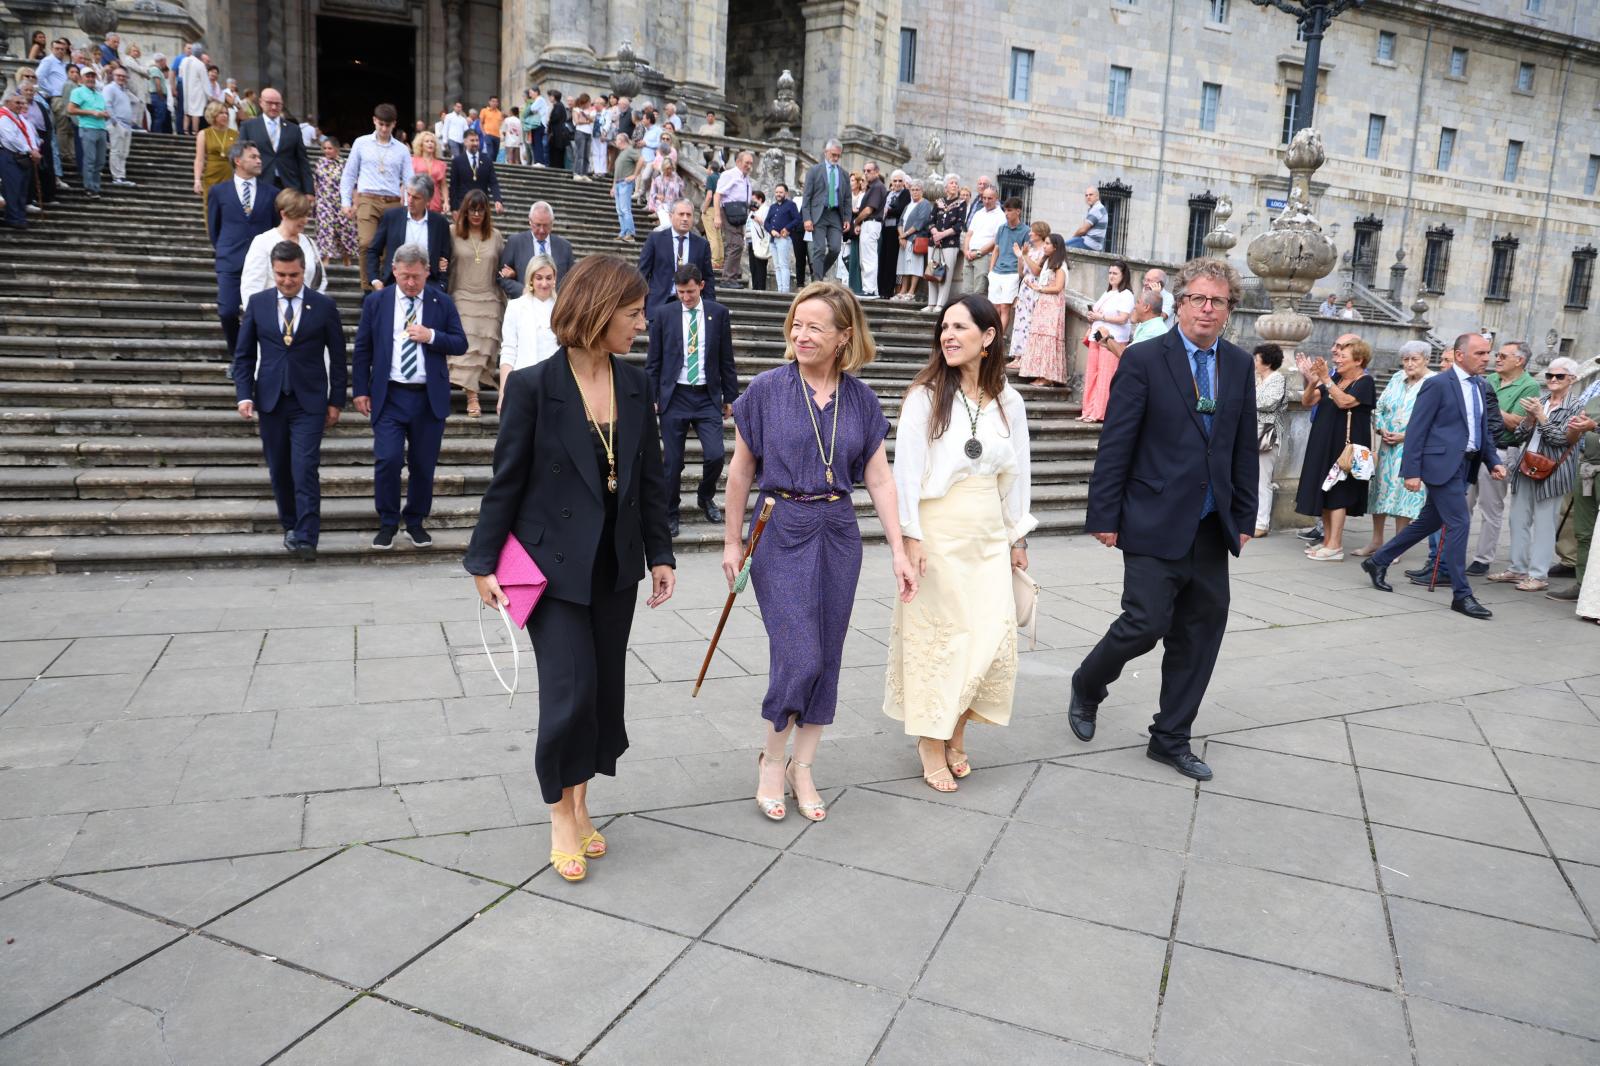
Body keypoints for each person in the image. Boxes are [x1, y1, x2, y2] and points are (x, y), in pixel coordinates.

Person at [466, 255, 676, 883]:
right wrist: (483, 561)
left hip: (616, 564)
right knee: (569, 691)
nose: (641, 324)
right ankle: (561, 813)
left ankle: (582, 803)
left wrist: (660, 553)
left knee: (603, 691)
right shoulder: (533, 386)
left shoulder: (636, 384)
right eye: (633, 314)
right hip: (549, 566)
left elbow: (650, 478)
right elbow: (507, 480)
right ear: (599, 310)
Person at [722, 281, 917, 822]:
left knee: (826, 654)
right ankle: (772, 758)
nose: (801, 335)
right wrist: (732, 540)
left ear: (843, 338)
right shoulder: (765, 389)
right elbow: (740, 470)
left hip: (838, 530)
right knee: (798, 652)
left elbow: (879, 479)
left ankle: (802, 766)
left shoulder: (861, 399)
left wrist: (898, 550)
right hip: (780, 526)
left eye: (815, 327)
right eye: (796, 324)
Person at [1072, 258, 1259, 782]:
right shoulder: (1145, 359)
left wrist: (1244, 512)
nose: (1206, 307)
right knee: (1146, 622)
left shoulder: (1239, 366)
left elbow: (1242, 446)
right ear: (1179, 302)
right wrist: (1104, 515)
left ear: (1228, 310)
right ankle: (1089, 684)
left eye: (1217, 300)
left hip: (1209, 525)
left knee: (1201, 633)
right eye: (1198, 298)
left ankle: (1170, 737)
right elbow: (1117, 443)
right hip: (1152, 516)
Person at [886, 295, 1034, 790]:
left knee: (990, 639)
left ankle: (957, 730)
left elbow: (1019, 473)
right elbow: (904, 473)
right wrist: (910, 536)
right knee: (941, 639)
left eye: (959, 327)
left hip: (989, 534)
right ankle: (931, 739)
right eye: (943, 327)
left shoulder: (1009, 401)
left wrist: (1017, 536)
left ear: (988, 338)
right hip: (938, 532)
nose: (947, 335)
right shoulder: (925, 396)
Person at [1361, 333, 1505, 619]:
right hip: (1441, 466)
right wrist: (1411, 471)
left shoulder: (1480, 385)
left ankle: (1378, 560)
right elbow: (1417, 428)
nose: (1486, 358)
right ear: (1460, 355)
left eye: (1488, 353)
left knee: (1428, 521)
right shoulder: (1437, 384)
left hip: (1466, 465)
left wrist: (1492, 461)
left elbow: (1481, 430)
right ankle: (1461, 594)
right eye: (1480, 353)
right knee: (1460, 522)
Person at [232, 241, 347, 560]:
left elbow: (338, 357)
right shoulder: (258, 303)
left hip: (309, 400)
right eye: (281, 275)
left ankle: (308, 536)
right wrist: (243, 394)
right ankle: (291, 526)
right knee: (280, 467)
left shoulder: (323, 306)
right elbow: (243, 355)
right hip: (270, 399)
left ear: (303, 271)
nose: (287, 281)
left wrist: (336, 400)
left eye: (293, 275)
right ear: (273, 271)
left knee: (305, 466)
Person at [351, 242, 468, 549]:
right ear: (394, 271)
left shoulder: (440, 302)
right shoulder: (377, 302)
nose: (411, 283)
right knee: (387, 459)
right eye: (405, 276)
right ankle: (388, 522)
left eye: (416, 276)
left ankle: (415, 521)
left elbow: (460, 343)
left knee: (423, 464)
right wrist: (360, 389)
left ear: (427, 271)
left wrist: (431, 336)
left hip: (427, 397)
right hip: (389, 395)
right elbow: (363, 348)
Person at [646, 263, 738, 536]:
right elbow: (653, 362)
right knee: (672, 463)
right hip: (675, 396)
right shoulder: (664, 315)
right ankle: (670, 512)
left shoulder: (718, 314)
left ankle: (704, 495)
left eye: (689, 291)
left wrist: (730, 396)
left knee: (715, 455)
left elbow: (726, 358)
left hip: (706, 396)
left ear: (701, 286)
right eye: (680, 292)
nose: (685, 297)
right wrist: (652, 396)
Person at [1491, 357, 1585, 592]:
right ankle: (1517, 568)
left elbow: (1561, 440)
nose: (1553, 380)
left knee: (1545, 524)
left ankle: (1538, 575)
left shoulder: (1576, 406)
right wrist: (1530, 418)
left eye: (1559, 376)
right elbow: (1521, 433)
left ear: (1571, 379)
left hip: (1553, 472)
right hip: (1526, 467)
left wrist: (1541, 417)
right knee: (1517, 520)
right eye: (1549, 376)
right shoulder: (1541, 401)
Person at [1293, 335, 1376, 561]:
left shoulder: (1364, 382)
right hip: (1324, 441)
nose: (1337, 360)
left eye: (1343, 356)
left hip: (1345, 447)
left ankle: (1336, 545)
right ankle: (1328, 541)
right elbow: (1308, 401)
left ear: (1359, 360)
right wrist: (1311, 380)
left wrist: (1325, 379)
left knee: (1339, 493)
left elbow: (1344, 402)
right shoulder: (1336, 378)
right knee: (1327, 491)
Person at [1468, 340, 1541, 575]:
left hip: (1500, 451)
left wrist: (1487, 406)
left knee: (1491, 508)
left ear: (1519, 360)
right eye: (1496, 355)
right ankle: (1453, 552)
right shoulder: (1490, 380)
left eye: (1502, 355)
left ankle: (1483, 558)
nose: (1496, 359)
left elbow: (1517, 423)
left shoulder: (1529, 386)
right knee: (1462, 504)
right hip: (1475, 449)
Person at [1354, 341, 1433, 556]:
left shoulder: (1433, 382)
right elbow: (1380, 407)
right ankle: (1377, 541)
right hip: (1387, 446)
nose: (1409, 364)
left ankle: (1396, 547)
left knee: (1403, 494)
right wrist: (1381, 429)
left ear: (1426, 359)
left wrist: (1406, 436)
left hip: (1412, 447)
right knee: (1379, 490)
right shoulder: (1397, 378)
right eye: (1405, 359)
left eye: (1414, 359)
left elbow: (1434, 419)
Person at [207, 140, 279, 367]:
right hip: (230, 260)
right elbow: (214, 227)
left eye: (259, 157)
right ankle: (238, 355)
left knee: (261, 314)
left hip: (262, 262)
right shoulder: (219, 191)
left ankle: (256, 358)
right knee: (227, 311)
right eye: (253, 157)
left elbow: (276, 227)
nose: (259, 161)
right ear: (238, 161)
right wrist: (223, 250)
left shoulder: (272, 192)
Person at [340, 103, 414, 290]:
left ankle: (387, 286)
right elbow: (349, 174)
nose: (383, 128)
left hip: (393, 201)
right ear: (374, 121)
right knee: (366, 243)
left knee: (391, 248)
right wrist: (346, 201)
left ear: (393, 124)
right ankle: (368, 288)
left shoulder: (402, 149)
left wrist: (409, 204)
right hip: (368, 198)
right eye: (380, 124)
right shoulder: (361, 143)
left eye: (387, 125)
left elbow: (409, 179)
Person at [446, 189, 506, 419]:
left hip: (490, 298)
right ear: (465, 210)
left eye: (481, 209)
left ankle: (469, 387)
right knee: (467, 343)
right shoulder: (453, 233)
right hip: (462, 294)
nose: (477, 214)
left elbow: (503, 266)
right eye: (472, 209)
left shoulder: (496, 236)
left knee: (483, 347)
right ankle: (472, 395)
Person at [367, 174, 452, 288]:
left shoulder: (440, 223)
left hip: (428, 286)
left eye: (416, 198)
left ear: (428, 200)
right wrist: (375, 280)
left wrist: (441, 285)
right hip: (393, 283)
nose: (410, 201)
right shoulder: (391, 217)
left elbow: (445, 258)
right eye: (408, 195)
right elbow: (373, 250)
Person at [1078, 261, 1137, 422]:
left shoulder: (1126, 295)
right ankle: (1088, 410)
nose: (1111, 276)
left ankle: (1100, 413)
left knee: (1105, 376)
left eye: (1115, 273)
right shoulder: (1107, 293)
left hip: (1112, 339)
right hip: (1096, 336)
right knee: (1092, 374)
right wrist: (1093, 316)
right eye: (1110, 273)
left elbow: (1124, 318)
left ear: (1123, 275)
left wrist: (1101, 317)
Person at [242, 189, 327, 298]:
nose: (305, 221)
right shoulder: (263, 242)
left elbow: (320, 279)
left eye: (306, 215)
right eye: (300, 216)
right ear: (284, 214)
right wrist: (256, 312)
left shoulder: (309, 242)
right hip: (271, 310)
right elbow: (251, 286)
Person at [637, 198, 716, 317]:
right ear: (670, 216)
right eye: (681, 214)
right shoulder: (655, 240)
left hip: (690, 306)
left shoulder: (702, 244)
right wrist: (639, 304)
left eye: (689, 215)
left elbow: (708, 278)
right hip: (659, 304)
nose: (685, 218)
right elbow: (642, 273)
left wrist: (710, 308)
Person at [498, 254, 560, 405]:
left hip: (556, 386)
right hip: (523, 383)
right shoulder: (515, 307)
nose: (544, 283)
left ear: (554, 279)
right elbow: (508, 351)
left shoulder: (563, 309)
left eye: (548, 277)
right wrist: (503, 392)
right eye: (539, 278)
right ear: (531, 279)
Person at [1014, 234, 1069, 388]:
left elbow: (1058, 287)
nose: (1044, 246)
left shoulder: (1060, 265)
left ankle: (1048, 376)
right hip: (1043, 302)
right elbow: (1036, 271)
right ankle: (1040, 374)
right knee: (1039, 336)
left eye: (1047, 244)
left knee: (1048, 338)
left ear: (1056, 247)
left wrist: (1039, 288)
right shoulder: (1048, 261)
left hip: (1053, 305)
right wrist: (1024, 255)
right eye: (1044, 243)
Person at [239, 87, 311, 194]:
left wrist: (309, 191)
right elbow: (241, 157)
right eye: (269, 103)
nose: (274, 107)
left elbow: (302, 161)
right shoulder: (248, 126)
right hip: (259, 183)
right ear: (261, 102)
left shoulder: (294, 129)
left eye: (278, 104)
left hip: (289, 185)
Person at [499, 201, 574, 299]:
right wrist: (522, 290)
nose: (542, 230)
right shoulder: (515, 242)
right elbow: (501, 276)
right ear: (530, 221)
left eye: (546, 225)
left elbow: (573, 279)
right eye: (538, 225)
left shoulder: (565, 247)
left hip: (556, 306)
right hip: (525, 305)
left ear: (552, 223)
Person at [802, 139, 851, 283]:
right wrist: (807, 218)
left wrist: (847, 218)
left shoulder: (843, 174)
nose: (835, 158)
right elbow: (807, 197)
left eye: (838, 155)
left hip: (835, 215)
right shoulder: (814, 171)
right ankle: (817, 281)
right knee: (819, 249)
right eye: (833, 154)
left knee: (835, 249)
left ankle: (818, 273)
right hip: (819, 215)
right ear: (826, 152)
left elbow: (847, 198)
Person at [1252, 343, 1288, 537]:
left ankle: (1261, 523)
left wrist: (1246, 396)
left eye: (1257, 359)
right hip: (1253, 432)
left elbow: (1267, 403)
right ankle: (1252, 518)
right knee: (1250, 478)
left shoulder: (1277, 379)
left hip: (1267, 433)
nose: (1255, 363)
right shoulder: (1258, 380)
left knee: (1262, 480)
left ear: (1266, 362)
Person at [986, 197, 1029, 335]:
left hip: (1012, 273)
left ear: (1018, 211)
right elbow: (996, 250)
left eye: (1009, 210)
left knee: (1005, 307)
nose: (1006, 213)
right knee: (994, 308)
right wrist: (990, 271)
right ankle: (992, 338)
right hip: (997, 273)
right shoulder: (1001, 228)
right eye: (1005, 210)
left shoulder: (1026, 231)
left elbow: (1026, 255)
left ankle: (998, 339)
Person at [312, 137, 357, 266]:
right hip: (323, 203)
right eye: (325, 148)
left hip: (340, 202)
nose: (327, 151)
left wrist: (354, 204)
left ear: (337, 149)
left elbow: (352, 184)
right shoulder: (319, 163)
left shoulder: (344, 164)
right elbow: (316, 182)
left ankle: (346, 257)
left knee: (343, 230)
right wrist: (315, 201)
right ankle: (325, 259)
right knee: (324, 230)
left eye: (330, 148)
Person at [924, 175, 965, 312]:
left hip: (950, 243)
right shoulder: (938, 202)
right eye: (951, 183)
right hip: (934, 242)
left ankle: (940, 304)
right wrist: (935, 233)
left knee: (946, 273)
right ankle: (931, 303)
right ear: (946, 187)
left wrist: (942, 234)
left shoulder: (961, 203)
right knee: (932, 271)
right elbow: (930, 220)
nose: (954, 185)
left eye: (956, 183)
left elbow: (959, 225)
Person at [1007, 221, 1049, 352]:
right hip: (1024, 288)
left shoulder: (1045, 251)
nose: (1030, 233)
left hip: (1034, 289)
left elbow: (1037, 271)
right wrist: (1020, 256)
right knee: (1020, 322)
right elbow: (1021, 273)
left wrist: (1024, 255)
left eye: (1032, 231)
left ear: (1040, 233)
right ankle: (1017, 355)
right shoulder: (1029, 250)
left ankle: (1026, 356)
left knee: (1029, 322)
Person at [67, 66, 109, 197]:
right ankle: (89, 187)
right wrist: (92, 112)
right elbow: (71, 109)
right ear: (82, 78)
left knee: (100, 160)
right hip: (87, 127)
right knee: (90, 159)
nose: (91, 78)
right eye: (88, 76)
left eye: (92, 76)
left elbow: (103, 111)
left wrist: (105, 114)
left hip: (101, 128)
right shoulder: (78, 91)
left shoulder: (99, 94)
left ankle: (96, 187)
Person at [0, 88, 39, 229]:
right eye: (18, 102)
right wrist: (30, 150)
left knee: (22, 188)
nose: (22, 105)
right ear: (7, 102)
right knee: (13, 188)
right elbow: (11, 139)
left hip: (22, 156)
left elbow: (28, 133)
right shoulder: (3, 117)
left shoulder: (18, 117)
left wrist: (34, 148)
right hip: (10, 156)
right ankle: (13, 217)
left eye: (23, 103)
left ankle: (20, 216)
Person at [894, 178, 932, 302]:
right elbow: (900, 221)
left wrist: (904, 235)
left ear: (922, 191)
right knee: (904, 266)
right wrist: (901, 236)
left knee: (914, 266)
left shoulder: (925, 204)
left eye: (917, 190)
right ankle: (903, 290)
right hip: (904, 239)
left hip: (915, 239)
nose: (914, 192)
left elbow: (919, 222)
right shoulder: (908, 205)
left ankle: (911, 291)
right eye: (913, 190)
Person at [852, 161, 887, 299]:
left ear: (877, 172)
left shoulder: (877, 187)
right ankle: (869, 288)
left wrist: (856, 221)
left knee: (869, 258)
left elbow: (868, 210)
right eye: (864, 170)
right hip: (868, 223)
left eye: (869, 171)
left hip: (871, 223)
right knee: (865, 258)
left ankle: (870, 289)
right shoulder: (872, 187)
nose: (866, 173)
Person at [448, 128, 503, 214]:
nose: (475, 143)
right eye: (472, 140)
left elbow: (493, 182)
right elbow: (453, 186)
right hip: (463, 205)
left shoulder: (487, 160)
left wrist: (498, 200)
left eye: (477, 140)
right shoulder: (457, 161)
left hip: (482, 205)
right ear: (465, 142)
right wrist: (454, 208)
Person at [961, 186, 1003, 295]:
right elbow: (969, 234)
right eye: (984, 198)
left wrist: (978, 253)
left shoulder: (1001, 216)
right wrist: (966, 250)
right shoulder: (979, 213)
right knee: (966, 292)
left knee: (979, 292)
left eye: (990, 198)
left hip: (984, 256)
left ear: (996, 199)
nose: (986, 201)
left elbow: (995, 240)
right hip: (969, 254)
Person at [100, 66, 137, 187]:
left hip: (126, 124)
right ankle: (117, 176)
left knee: (124, 152)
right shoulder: (109, 88)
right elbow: (107, 105)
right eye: (118, 75)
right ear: (113, 76)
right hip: (116, 124)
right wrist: (114, 121)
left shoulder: (124, 90)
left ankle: (122, 175)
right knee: (116, 150)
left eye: (123, 76)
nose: (121, 78)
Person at [192, 99, 236, 199]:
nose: (225, 116)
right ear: (213, 114)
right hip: (212, 174)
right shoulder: (204, 134)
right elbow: (199, 159)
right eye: (221, 113)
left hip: (230, 175)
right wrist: (197, 180)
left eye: (226, 113)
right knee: (211, 207)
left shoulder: (235, 134)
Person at [765, 182, 801, 293]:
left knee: (784, 265)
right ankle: (780, 290)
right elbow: (766, 222)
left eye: (780, 192)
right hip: (773, 239)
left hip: (783, 239)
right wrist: (771, 231)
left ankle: (785, 291)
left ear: (786, 193)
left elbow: (797, 219)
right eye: (776, 192)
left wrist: (787, 228)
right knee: (777, 266)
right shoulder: (772, 207)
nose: (778, 194)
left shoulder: (791, 205)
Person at [610, 133, 640, 242]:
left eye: (617, 140)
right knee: (620, 210)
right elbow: (617, 172)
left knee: (625, 209)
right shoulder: (622, 153)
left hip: (625, 183)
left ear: (622, 140)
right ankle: (623, 232)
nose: (616, 142)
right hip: (618, 183)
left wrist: (634, 175)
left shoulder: (629, 150)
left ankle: (630, 233)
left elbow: (641, 160)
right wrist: (613, 186)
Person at [411, 130, 449, 213]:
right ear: (421, 145)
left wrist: (446, 202)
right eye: (427, 141)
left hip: (435, 200)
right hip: (417, 197)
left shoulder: (441, 164)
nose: (430, 143)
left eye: (432, 142)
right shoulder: (413, 161)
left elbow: (443, 185)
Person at [1063, 186, 1108, 251]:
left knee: (1060, 248)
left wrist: (1073, 238)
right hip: (1095, 245)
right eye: (1086, 195)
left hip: (1089, 243)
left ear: (1097, 197)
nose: (1088, 197)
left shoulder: (1096, 209)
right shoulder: (1100, 208)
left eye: (1091, 195)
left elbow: (1083, 230)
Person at [646, 156, 684, 230]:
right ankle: (656, 232)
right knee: (667, 225)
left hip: (674, 207)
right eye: (667, 168)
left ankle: (656, 232)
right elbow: (652, 194)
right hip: (661, 206)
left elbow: (681, 194)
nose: (669, 170)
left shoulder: (677, 179)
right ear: (663, 168)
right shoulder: (658, 179)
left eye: (671, 168)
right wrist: (657, 196)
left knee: (671, 227)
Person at [178, 42, 208, 134]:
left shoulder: (184, 61)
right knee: (196, 112)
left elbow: (180, 74)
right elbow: (205, 81)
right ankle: (195, 131)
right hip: (197, 90)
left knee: (187, 111)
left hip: (186, 89)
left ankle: (186, 130)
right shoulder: (200, 64)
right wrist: (209, 95)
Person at [747, 190, 771, 292]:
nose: (752, 202)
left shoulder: (765, 209)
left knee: (760, 266)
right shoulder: (753, 210)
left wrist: (759, 220)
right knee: (753, 266)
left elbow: (766, 224)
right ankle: (755, 287)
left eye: (754, 199)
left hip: (759, 242)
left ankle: (761, 289)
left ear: (760, 199)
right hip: (750, 241)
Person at [544, 89, 571, 171]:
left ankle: (556, 168)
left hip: (557, 134)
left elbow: (555, 118)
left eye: (551, 96)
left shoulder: (559, 106)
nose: (549, 98)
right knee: (554, 153)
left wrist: (549, 119)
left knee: (557, 153)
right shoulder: (557, 106)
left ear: (554, 97)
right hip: (556, 133)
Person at [568, 94, 591, 178]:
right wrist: (587, 121)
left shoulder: (589, 111)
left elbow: (593, 119)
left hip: (589, 133)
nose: (589, 103)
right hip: (580, 132)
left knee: (586, 155)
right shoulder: (576, 109)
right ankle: (577, 173)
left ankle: (584, 173)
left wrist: (587, 119)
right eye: (588, 101)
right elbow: (577, 121)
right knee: (580, 154)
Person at [479, 95, 502, 160]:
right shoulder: (484, 110)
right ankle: (488, 167)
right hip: (488, 134)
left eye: (496, 102)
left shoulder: (499, 113)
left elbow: (500, 125)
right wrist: (484, 133)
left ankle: (492, 167)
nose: (494, 103)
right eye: (493, 101)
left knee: (495, 154)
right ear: (489, 102)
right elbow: (481, 123)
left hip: (497, 136)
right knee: (490, 152)